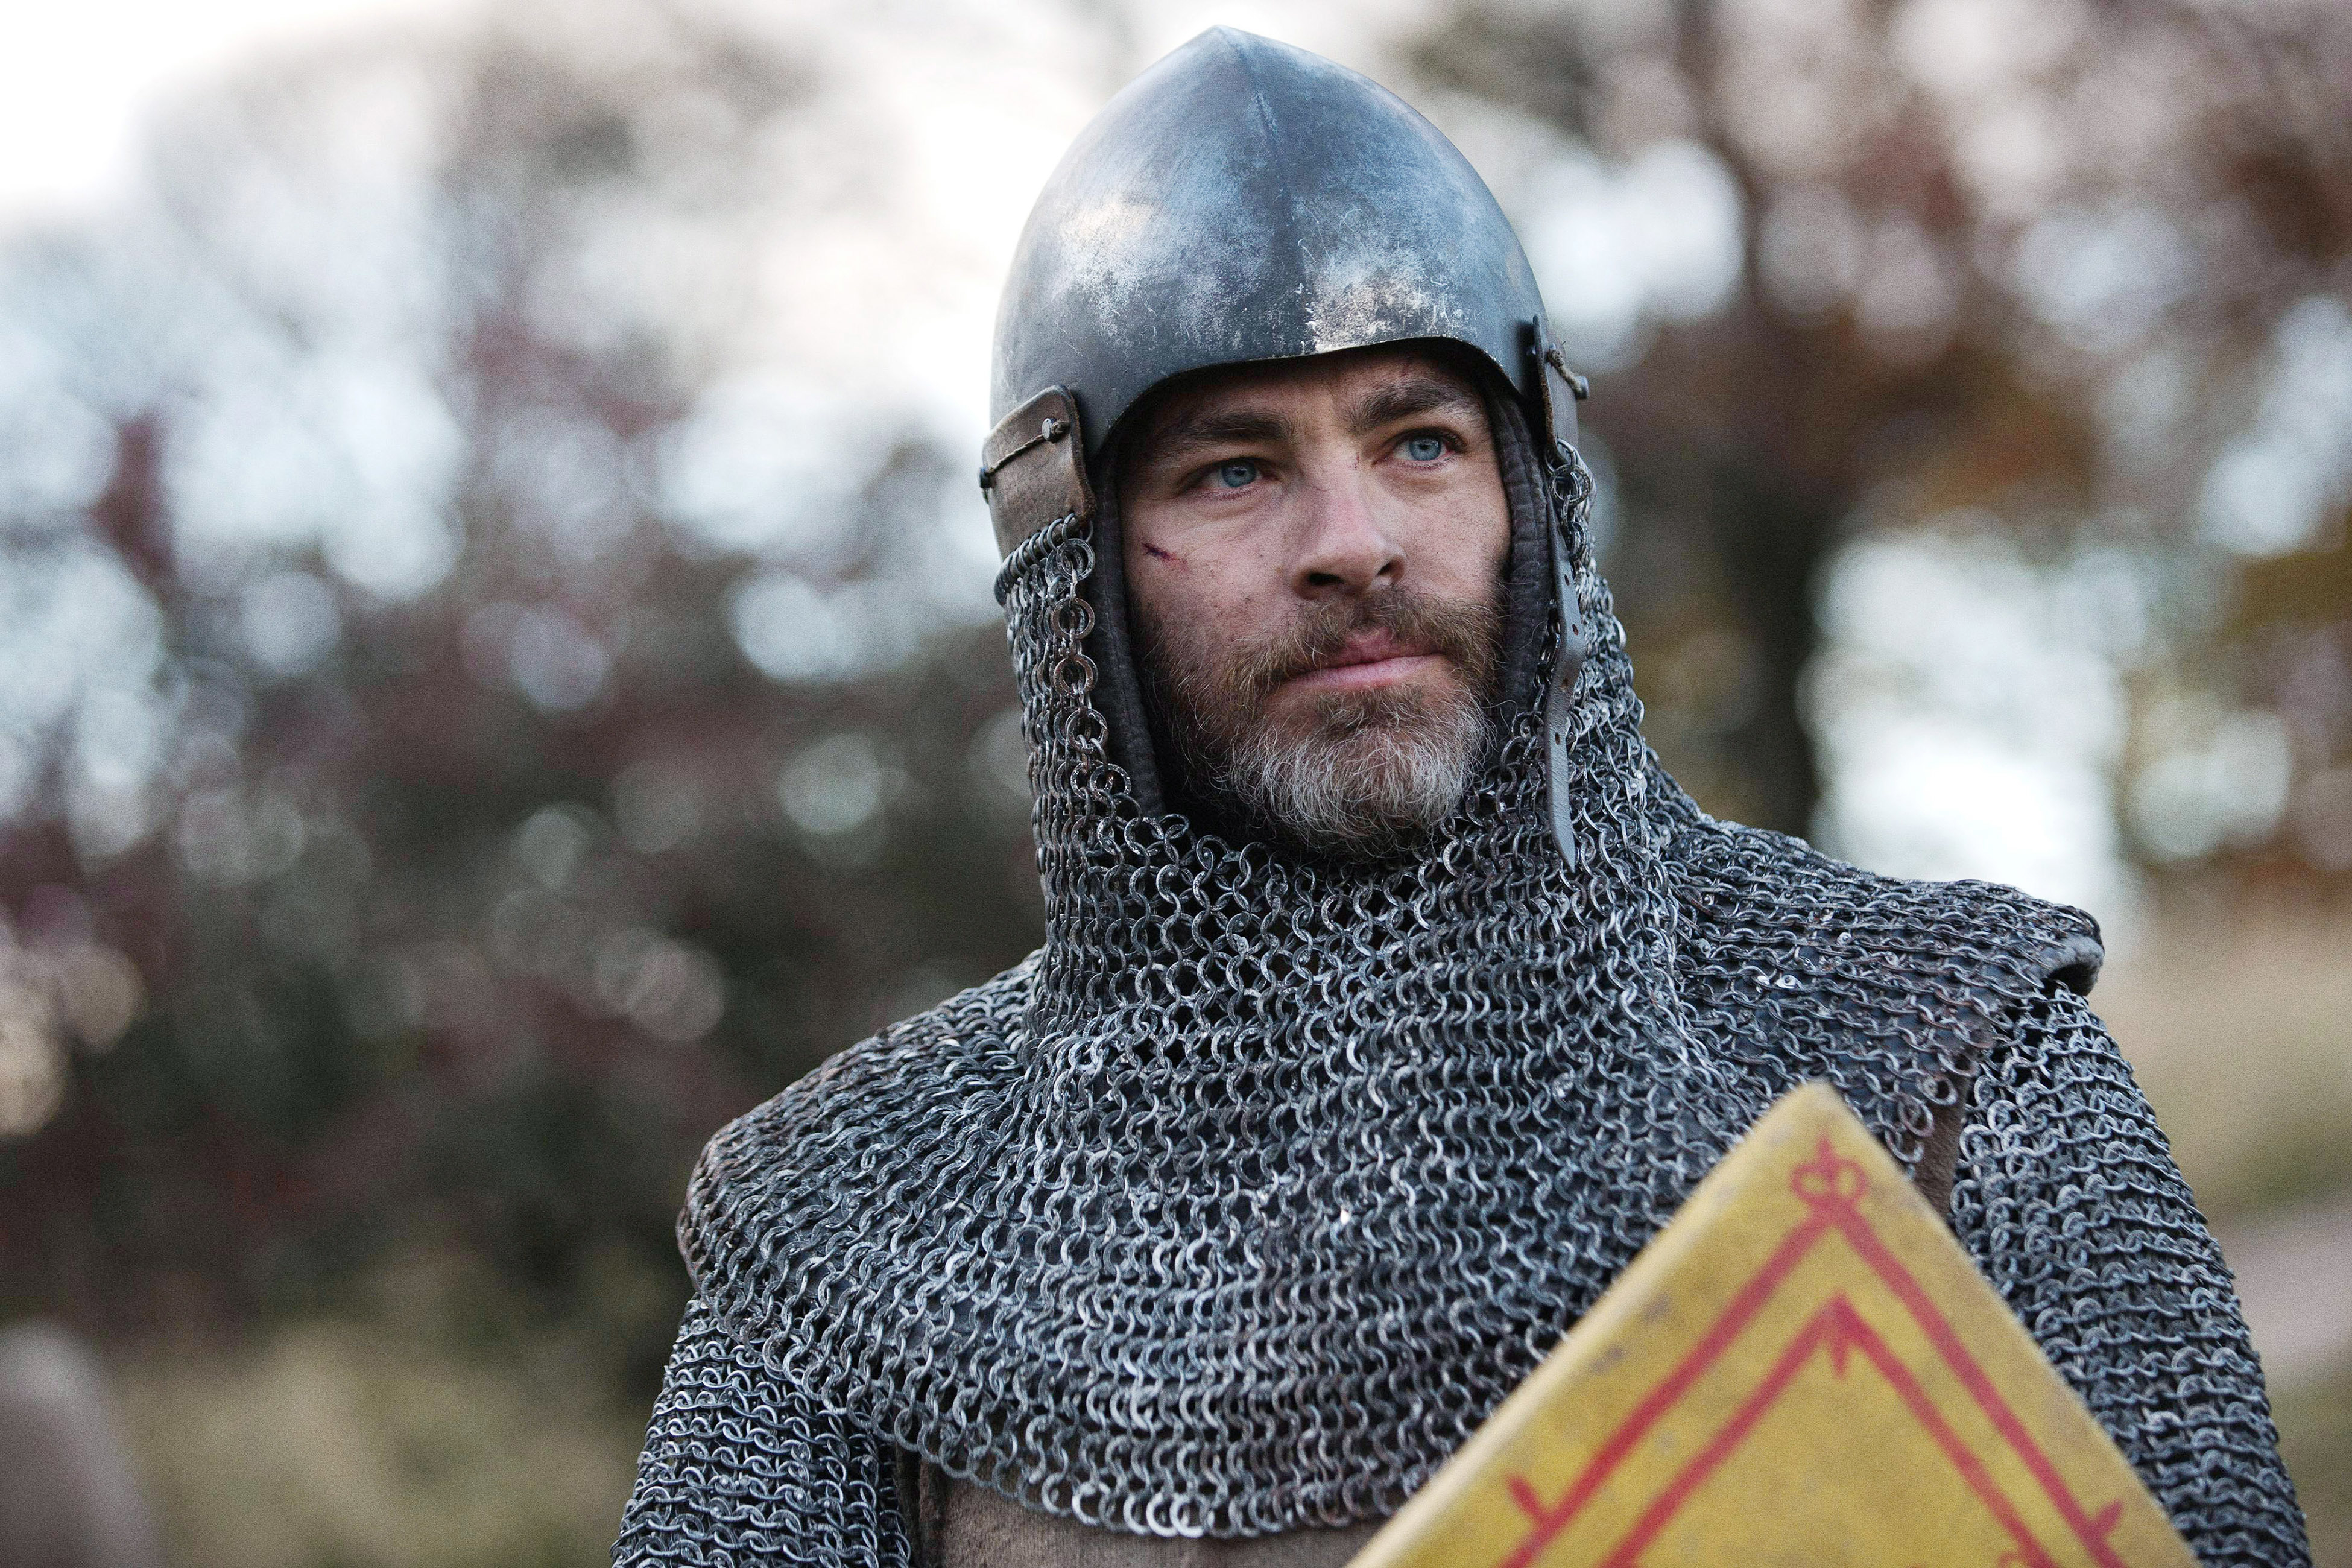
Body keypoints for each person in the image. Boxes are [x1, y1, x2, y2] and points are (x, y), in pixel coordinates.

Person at [613, 28, 2309, 1567]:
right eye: (1231, 468)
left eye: (1418, 438)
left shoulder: (1942, 1058)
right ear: (1077, 572)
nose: (1351, 540)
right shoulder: (860, 1245)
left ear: (1531, 487)